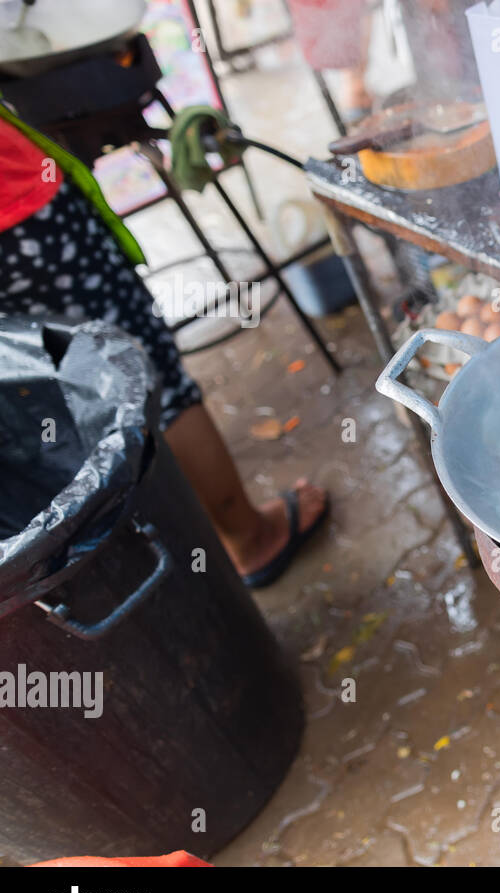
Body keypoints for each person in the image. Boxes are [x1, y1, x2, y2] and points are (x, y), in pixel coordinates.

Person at [0, 110, 329, 588]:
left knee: (42, 408)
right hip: (20, 222)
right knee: (149, 383)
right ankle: (251, 540)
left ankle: (141, 571)